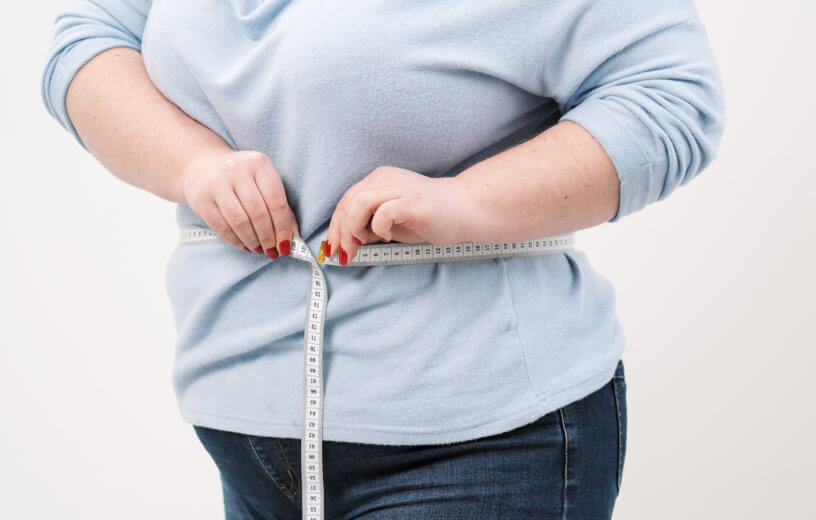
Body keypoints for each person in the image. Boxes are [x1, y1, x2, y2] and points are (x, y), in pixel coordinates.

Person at [41, 1, 724, 518]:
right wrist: (193, 166)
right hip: (241, 422)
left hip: (482, 436)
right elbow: (90, 38)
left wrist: (468, 204)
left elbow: (671, 97)